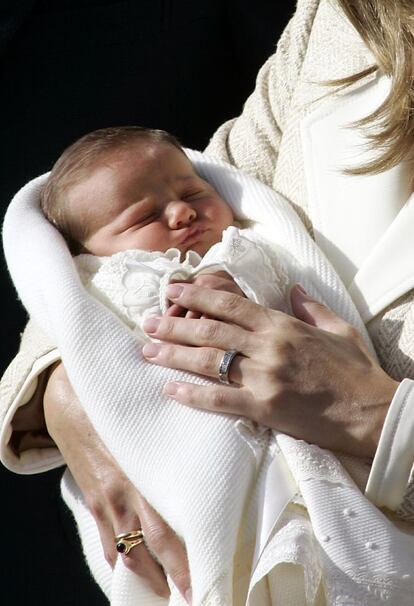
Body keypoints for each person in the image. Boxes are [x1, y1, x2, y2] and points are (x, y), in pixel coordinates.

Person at [1, 0, 414, 603]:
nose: (182, 212)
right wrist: (75, 388)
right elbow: (117, 224)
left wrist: (375, 420)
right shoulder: (345, 20)